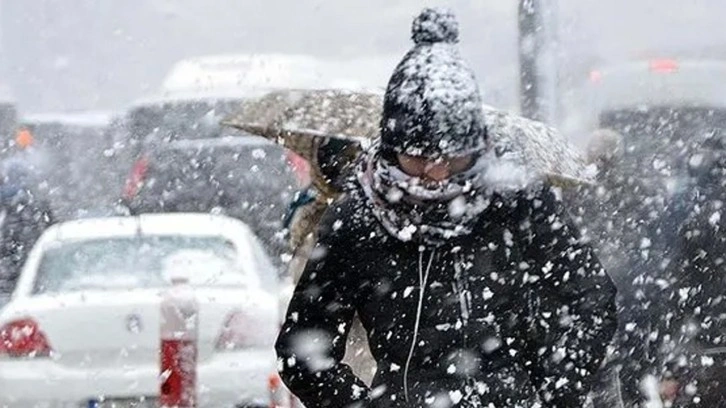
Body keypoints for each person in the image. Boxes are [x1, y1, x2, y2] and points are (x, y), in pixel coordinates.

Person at [275, 7, 617, 408]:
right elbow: (303, 350)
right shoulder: (358, 219)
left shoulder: (517, 202)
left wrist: (554, 390)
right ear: (390, 147)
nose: (436, 173)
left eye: (452, 158)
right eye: (418, 158)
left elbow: (591, 298)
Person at [0, 160, 54, 294]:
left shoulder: (6, 196)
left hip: (10, 247)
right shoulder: (34, 197)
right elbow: (49, 222)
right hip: (31, 247)